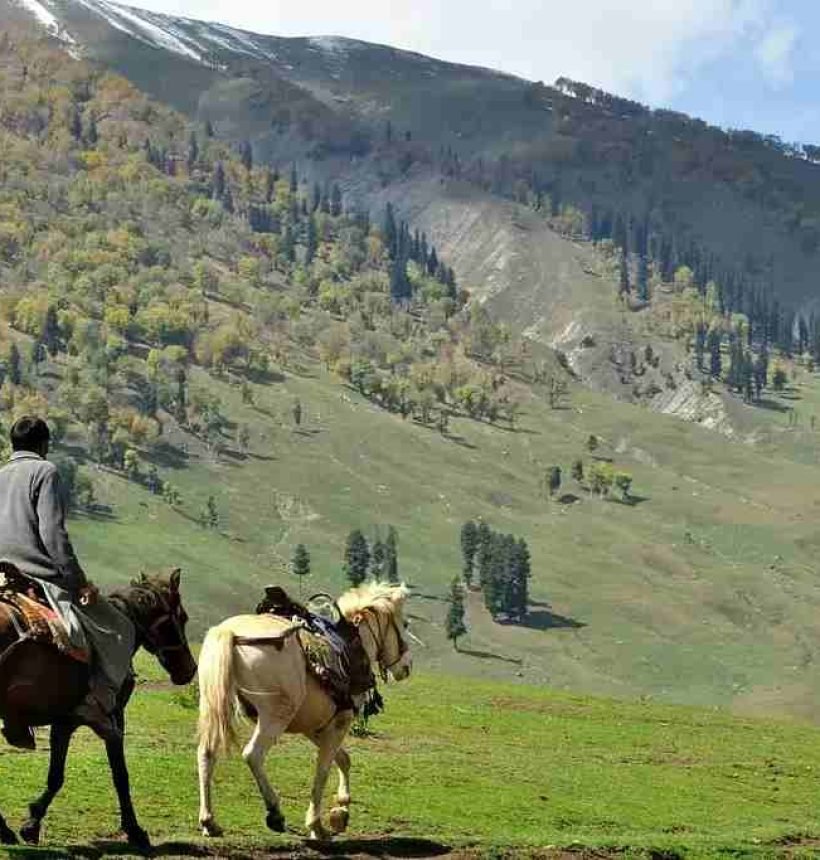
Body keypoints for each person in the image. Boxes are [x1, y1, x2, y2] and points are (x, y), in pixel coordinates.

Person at [0, 416, 134, 743]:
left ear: (13, 445)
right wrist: (79, 583)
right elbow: (53, 534)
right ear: (44, 445)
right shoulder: (46, 472)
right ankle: (94, 701)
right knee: (113, 628)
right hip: (36, 574)